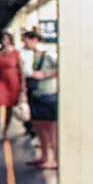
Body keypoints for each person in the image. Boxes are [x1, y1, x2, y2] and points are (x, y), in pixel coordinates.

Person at [22, 28, 58, 169]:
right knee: (39, 126)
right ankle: (44, 155)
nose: (25, 44)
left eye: (26, 41)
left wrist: (46, 75)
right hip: (38, 93)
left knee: (51, 129)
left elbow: (61, 68)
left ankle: (54, 159)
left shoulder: (49, 54)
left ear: (35, 40)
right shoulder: (35, 54)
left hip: (48, 94)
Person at [0, 31, 23, 141]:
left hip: (12, 81)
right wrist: (0, 53)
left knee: (9, 106)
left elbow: (21, 69)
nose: (4, 41)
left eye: (6, 39)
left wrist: (23, 84)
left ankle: (6, 130)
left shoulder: (16, 53)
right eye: (2, 39)